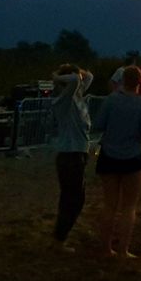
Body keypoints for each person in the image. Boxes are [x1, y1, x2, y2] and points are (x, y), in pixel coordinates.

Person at [92, 66, 141, 258]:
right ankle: (123, 250)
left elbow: (98, 124)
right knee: (129, 206)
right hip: (133, 157)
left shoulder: (111, 100)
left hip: (109, 156)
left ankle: (105, 248)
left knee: (109, 205)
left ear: (122, 80)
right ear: (140, 82)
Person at [48, 65, 93, 251]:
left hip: (77, 153)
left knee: (70, 198)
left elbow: (88, 76)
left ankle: (59, 236)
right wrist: (57, 76)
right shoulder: (64, 100)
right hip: (70, 155)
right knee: (74, 199)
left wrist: (76, 72)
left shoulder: (76, 97)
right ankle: (59, 237)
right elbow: (75, 80)